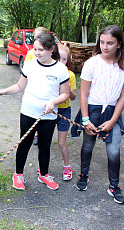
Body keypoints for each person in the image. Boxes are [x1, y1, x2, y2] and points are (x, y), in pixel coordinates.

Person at [0, 32, 70, 191]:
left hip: (48, 116)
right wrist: (3, 91)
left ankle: (44, 174)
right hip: (28, 113)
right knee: (24, 143)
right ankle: (18, 174)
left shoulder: (60, 69)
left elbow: (65, 94)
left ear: (51, 49)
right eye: (35, 49)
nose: (37, 53)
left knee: (45, 145)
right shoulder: (29, 65)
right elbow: (20, 86)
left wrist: (53, 102)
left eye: (41, 49)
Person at [71, 25, 124, 205]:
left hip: (112, 112)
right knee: (87, 146)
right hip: (92, 110)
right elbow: (83, 94)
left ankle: (114, 186)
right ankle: (84, 175)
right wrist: (85, 119)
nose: (105, 46)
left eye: (110, 43)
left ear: (119, 44)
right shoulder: (91, 63)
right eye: (102, 42)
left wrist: (113, 121)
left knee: (114, 151)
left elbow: (123, 96)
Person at [47, 43, 77, 180]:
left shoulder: (70, 75)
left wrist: (69, 90)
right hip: (51, 111)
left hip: (64, 111)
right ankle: (43, 168)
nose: (61, 62)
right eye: (59, 58)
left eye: (64, 59)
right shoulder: (49, 72)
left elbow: (74, 97)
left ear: (68, 61)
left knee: (61, 143)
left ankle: (67, 167)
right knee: (45, 141)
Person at [24, 26, 48, 145]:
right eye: (35, 38)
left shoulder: (49, 55)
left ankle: (39, 134)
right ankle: (33, 133)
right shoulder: (30, 54)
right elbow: (25, 74)